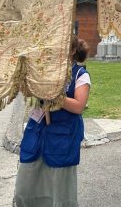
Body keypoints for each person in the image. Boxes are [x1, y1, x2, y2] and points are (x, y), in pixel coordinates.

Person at [14, 36, 91, 207]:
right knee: (25, 185)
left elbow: (79, 106)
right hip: (38, 130)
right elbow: (28, 91)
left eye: (64, 47)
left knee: (58, 186)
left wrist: (54, 94)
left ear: (72, 51)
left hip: (63, 134)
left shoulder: (81, 75)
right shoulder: (45, 71)